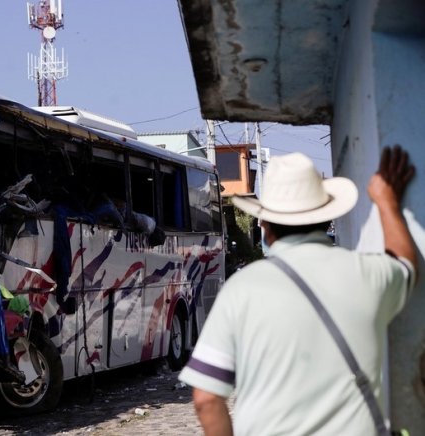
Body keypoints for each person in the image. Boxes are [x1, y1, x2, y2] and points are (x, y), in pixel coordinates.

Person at [179, 146, 417, 435]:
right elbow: (405, 262)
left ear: (265, 226)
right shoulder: (368, 274)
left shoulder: (241, 289)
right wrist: (387, 202)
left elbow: (206, 398)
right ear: (327, 219)